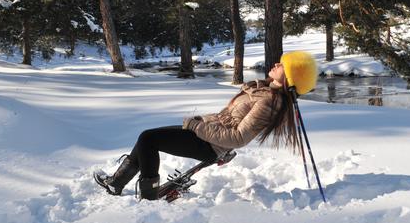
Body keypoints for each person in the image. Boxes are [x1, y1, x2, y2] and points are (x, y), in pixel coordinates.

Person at [94, 51, 318, 200]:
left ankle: (148, 197)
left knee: (148, 139)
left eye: (283, 65)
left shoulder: (269, 101)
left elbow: (239, 138)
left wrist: (195, 126)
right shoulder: (265, 91)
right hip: (207, 135)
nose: (277, 63)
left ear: (289, 76)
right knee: (147, 138)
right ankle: (117, 183)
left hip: (210, 145)